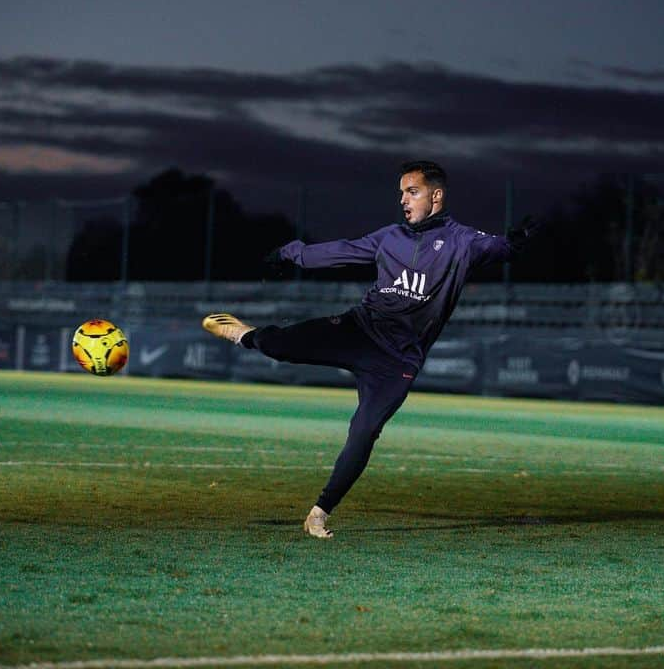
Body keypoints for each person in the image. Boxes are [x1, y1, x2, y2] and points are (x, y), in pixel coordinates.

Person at [202, 160, 535, 539]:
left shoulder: (462, 241)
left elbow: (500, 247)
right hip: (360, 329)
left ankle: (318, 512)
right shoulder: (389, 237)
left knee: (364, 431)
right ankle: (244, 335)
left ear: (436, 196)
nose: (404, 201)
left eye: (413, 192)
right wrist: (288, 254)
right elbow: (337, 252)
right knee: (281, 343)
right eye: (402, 193)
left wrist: (516, 243)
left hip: (397, 361)